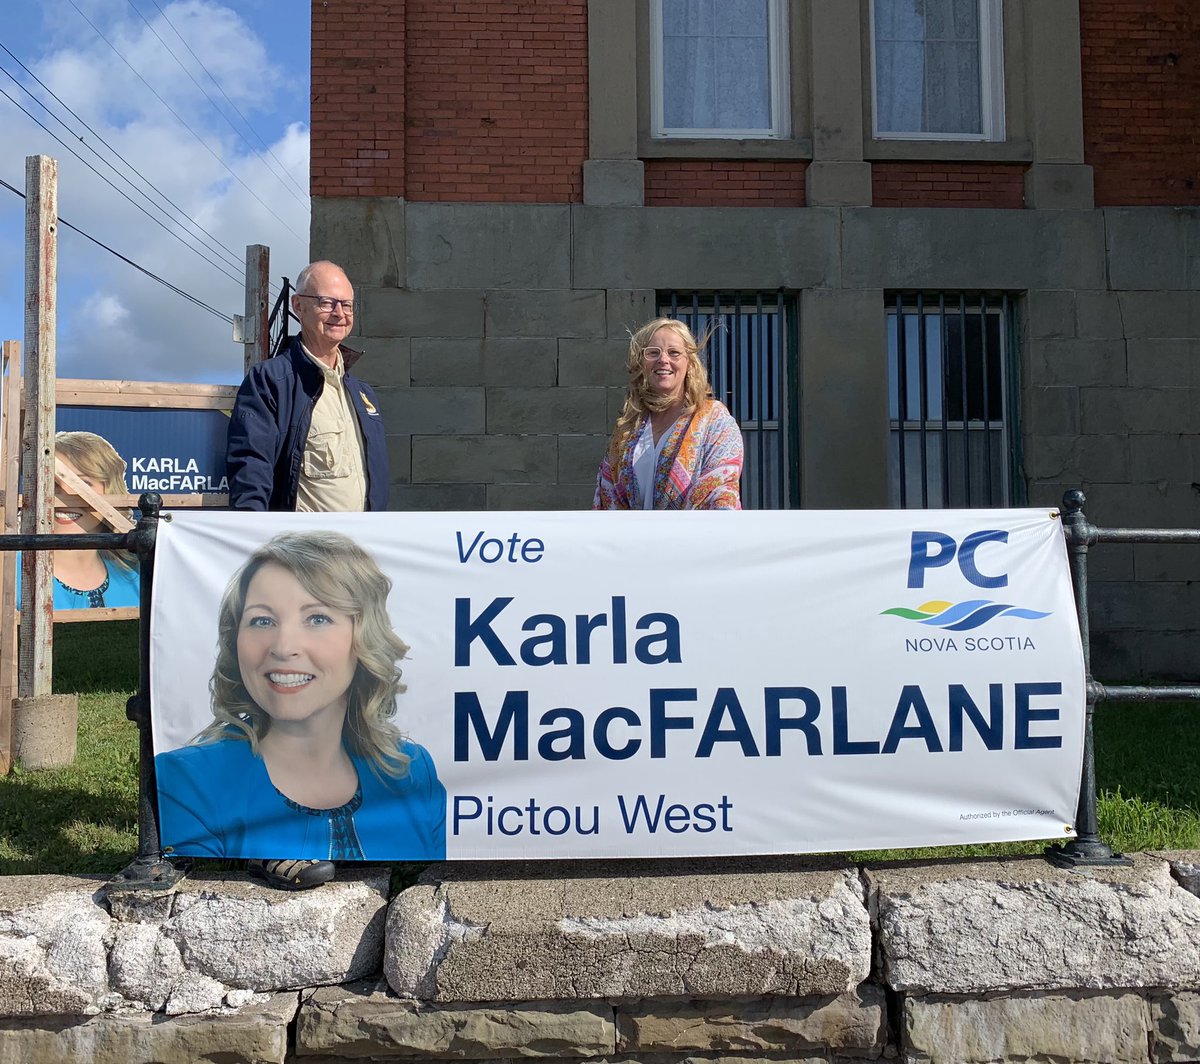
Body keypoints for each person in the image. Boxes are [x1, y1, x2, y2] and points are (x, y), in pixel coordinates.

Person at [223, 259, 390, 889]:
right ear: (299, 307)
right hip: (294, 582)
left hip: (349, 585)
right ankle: (272, 839)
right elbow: (251, 473)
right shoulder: (271, 381)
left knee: (342, 709)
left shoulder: (362, 391)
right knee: (280, 711)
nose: (339, 314)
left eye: (347, 304)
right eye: (326, 303)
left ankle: (341, 829)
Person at [154, 531, 445, 879]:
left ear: (363, 637)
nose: (284, 646)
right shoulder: (187, 780)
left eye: (317, 618)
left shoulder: (411, 770)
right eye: (262, 620)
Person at [594, 317, 744, 510]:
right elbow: (607, 498)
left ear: (689, 364)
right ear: (641, 363)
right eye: (653, 353)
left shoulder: (714, 421)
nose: (663, 360)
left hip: (692, 538)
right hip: (632, 540)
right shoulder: (627, 429)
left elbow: (720, 493)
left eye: (674, 353)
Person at [17, 430, 139, 609]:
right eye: (52, 484)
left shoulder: (138, 571)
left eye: (83, 484)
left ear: (111, 490)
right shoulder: (8, 574)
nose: (66, 497)